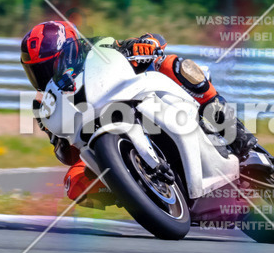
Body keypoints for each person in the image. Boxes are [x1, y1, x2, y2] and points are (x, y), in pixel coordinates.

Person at [20, 20, 257, 203]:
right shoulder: (47, 105)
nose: (44, 76)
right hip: (98, 135)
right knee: (74, 185)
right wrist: (56, 135)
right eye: (36, 72)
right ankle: (136, 189)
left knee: (172, 64)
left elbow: (153, 42)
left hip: (142, 97)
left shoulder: (99, 47)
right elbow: (67, 157)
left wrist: (145, 44)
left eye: (47, 67)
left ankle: (231, 129)